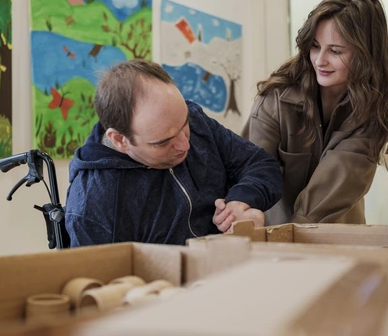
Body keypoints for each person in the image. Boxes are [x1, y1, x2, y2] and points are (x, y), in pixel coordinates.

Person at [64, 59, 283, 247]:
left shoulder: (195, 121)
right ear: (120, 140)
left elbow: (261, 164)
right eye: (164, 142)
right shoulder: (92, 205)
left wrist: (241, 202)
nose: (185, 145)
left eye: (184, 124)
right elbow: (100, 280)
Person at [241, 0, 388, 225]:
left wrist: (293, 236)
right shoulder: (275, 98)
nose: (320, 60)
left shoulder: (375, 108)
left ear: (366, 54)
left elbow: (336, 182)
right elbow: (249, 171)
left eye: (335, 51)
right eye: (315, 46)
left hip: (334, 236)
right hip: (273, 235)